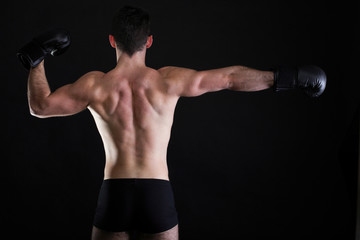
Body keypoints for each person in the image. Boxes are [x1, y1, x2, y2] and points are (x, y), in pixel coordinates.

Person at [17, 5, 326, 240]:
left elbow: (40, 107)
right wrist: (291, 78)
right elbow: (230, 78)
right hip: (156, 192)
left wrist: (37, 58)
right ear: (149, 41)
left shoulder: (95, 84)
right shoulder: (167, 80)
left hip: (114, 192)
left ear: (112, 41)